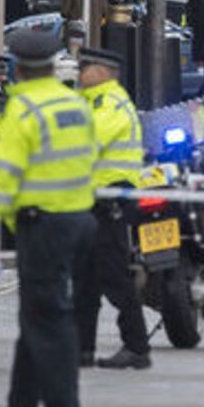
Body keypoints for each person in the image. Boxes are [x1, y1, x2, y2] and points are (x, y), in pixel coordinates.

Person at [0, 29, 96, 407]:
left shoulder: (20, 109)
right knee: (36, 316)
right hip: (80, 219)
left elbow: (0, 176)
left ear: (17, 66)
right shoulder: (73, 103)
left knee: (48, 320)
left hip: (44, 224)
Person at [75, 47, 152, 371]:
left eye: (85, 68)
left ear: (102, 72)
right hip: (93, 200)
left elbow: (85, 141)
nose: (80, 74)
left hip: (111, 202)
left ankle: (136, 347)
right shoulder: (93, 102)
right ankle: (82, 349)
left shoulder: (110, 103)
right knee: (85, 279)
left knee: (114, 277)